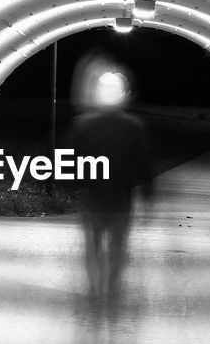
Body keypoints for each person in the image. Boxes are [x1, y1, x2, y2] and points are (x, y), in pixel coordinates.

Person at [65, 52, 154, 308]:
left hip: (92, 196)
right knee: (117, 245)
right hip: (121, 197)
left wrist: (72, 186)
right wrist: (147, 194)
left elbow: (70, 160)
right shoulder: (133, 126)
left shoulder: (83, 124)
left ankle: (95, 289)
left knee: (92, 244)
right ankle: (112, 289)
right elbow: (144, 163)